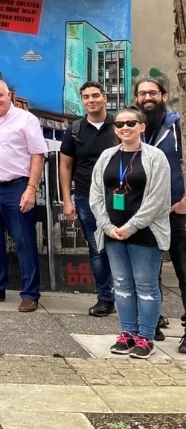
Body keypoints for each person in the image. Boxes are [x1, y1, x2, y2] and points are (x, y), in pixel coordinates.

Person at [90, 106, 170, 359]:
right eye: (120, 124)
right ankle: (127, 334)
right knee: (122, 285)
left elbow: (158, 198)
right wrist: (107, 226)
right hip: (113, 233)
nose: (125, 127)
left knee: (146, 286)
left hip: (145, 232)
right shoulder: (107, 157)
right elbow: (96, 195)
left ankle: (146, 338)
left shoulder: (156, 157)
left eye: (131, 123)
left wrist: (131, 226)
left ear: (142, 127)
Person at [0, 79, 48, 312]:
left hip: (17, 187)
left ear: (9, 95)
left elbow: (37, 155)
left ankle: (30, 294)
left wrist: (31, 189)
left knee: (24, 241)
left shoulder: (26, 120)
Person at [133, 77, 185, 347]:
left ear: (164, 96)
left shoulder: (177, 125)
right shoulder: (135, 129)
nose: (147, 98)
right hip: (145, 214)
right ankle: (152, 326)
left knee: (183, 272)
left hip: (177, 210)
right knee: (147, 274)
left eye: (152, 93)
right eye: (142, 94)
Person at [59, 81, 117, 317]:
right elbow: (65, 166)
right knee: (97, 249)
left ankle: (135, 299)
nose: (91, 100)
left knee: (128, 249)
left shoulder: (120, 124)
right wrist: (67, 199)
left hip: (120, 199)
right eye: (86, 97)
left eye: (95, 95)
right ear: (82, 101)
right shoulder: (75, 130)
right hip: (86, 198)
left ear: (104, 97)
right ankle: (105, 298)